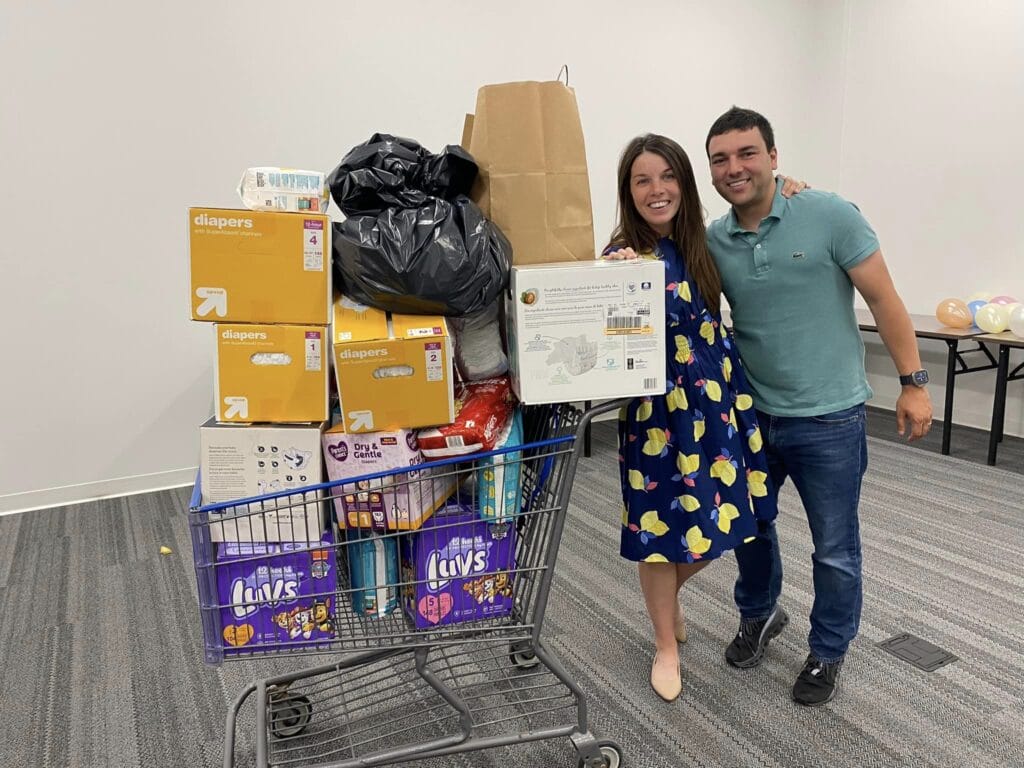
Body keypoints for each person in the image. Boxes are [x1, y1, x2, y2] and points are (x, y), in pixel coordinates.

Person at [704, 106, 933, 706]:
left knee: (834, 546)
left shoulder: (830, 213)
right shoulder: (714, 240)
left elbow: (883, 298)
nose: (735, 168)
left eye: (747, 153)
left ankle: (828, 651)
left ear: (774, 157)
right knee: (750, 532)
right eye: (721, 159)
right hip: (752, 417)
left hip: (830, 419)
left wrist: (913, 381)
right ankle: (759, 616)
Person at [603, 135, 803, 702]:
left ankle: (667, 603)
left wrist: (795, 189)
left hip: (719, 402)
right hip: (657, 413)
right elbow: (608, 332)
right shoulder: (624, 255)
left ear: (684, 185)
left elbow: (762, 211)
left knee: (731, 519)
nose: (656, 189)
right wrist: (610, 280)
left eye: (667, 176)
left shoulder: (704, 242)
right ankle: (665, 643)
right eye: (642, 180)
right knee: (659, 533)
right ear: (629, 192)